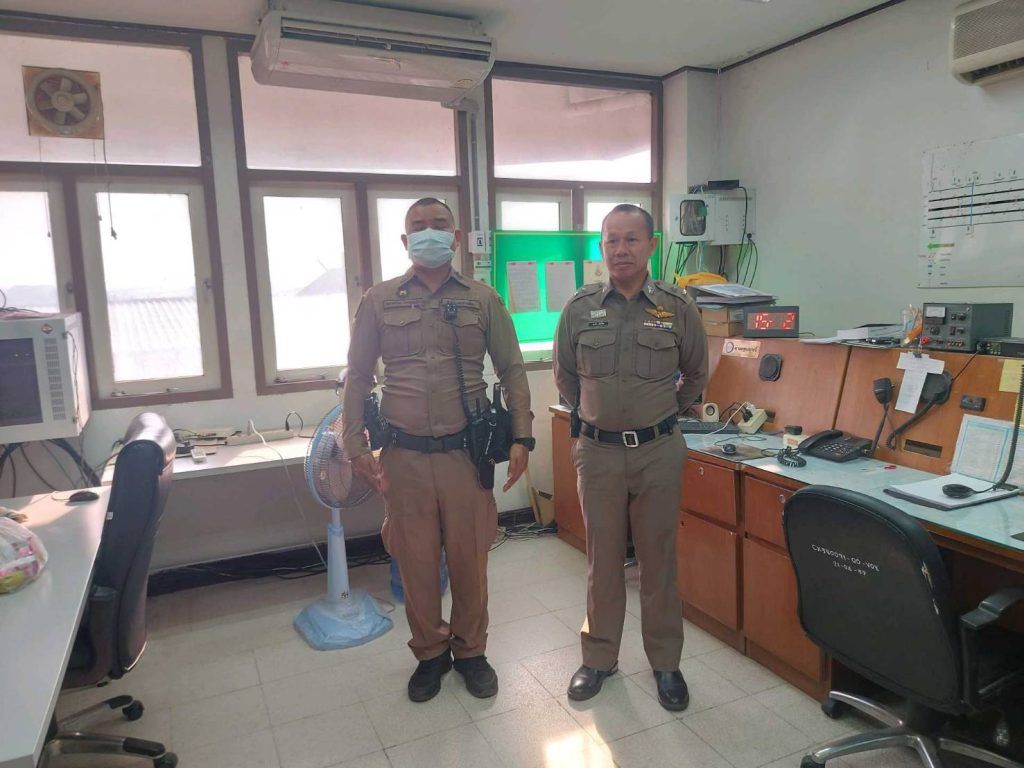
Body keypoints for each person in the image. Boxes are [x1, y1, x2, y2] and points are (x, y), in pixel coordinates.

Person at [341, 198, 534, 703]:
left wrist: (522, 436)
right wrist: (353, 442)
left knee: (470, 561)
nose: (430, 233)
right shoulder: (379, 300)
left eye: (439, 225)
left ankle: (471, 652)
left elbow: (512, 369)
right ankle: (430, 653)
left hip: (465, 458)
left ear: (456, 236)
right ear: (405, 241)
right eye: (419, 227)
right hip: (402, 457)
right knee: (417, 564)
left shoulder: (483, 299)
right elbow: (357, 375)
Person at [553, 204, 708, 711]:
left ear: (651, 245)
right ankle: (599, 659)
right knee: (602, 561)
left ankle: (666, 664)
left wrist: (662, 414)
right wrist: (593, 415)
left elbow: (696, 375)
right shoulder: (579, 308)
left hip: (658, 452)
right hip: (597, 453)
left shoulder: (677, 307)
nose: (621, 250)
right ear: (602, 248)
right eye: (611, 241)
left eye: (631, 239)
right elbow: (565, 376)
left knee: (658, 561)